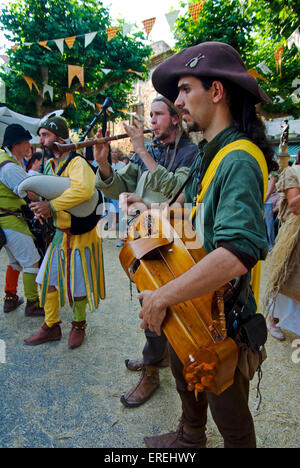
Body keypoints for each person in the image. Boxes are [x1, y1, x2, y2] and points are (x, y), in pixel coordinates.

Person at [136, 41, 275, 448]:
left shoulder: (239, 160)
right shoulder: (208, 154)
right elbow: (191, 217)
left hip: (223, 317)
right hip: (195, 300)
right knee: (185, 376)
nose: (177, 101)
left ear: (216, 92)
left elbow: (237, 253)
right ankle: (190, 437)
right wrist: (150, 214)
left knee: (229, 412)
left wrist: (162, 296)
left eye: (184, 89)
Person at [94, 96, 198, 408]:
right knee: (147, 301)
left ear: (176, 119)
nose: (151, 120)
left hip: (171, 243)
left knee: (157, 304)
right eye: (150, 115)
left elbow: (176, 193)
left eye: (157, 115)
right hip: (142, 237)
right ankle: (158, 356)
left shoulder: (191, 153)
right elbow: (118, 187)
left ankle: (152, 370)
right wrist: (102, 163)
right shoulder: (151, 151)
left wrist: (139, 149)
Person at [24, 115, 105, 349]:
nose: (41, 140)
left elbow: (83, 190)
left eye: (45, 135)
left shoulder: (78, 163)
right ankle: (52, 325)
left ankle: (79, 324)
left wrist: (51, 206)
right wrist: (40, 206)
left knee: (77, 285)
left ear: (59, 138)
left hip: (80, 235)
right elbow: (48, 191)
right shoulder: (50, 165)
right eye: (40, 135)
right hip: (59, 234)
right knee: (46, 281)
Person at [0, 124, 44, 316]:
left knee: (15, 261)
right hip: (10, 219)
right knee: (31, 261)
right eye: (26, 142)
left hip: (6, 220)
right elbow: (31, 194)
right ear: (16, 144)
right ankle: (32, 303)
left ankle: (10, 297)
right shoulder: (9, 166)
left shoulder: (6, 160)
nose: (29, 145)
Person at [263, 153, 300, 340]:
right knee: (285, 279)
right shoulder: (294, 172)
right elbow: (294, 206)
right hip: (294, 239)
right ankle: (272, 319)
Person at [264, 165, 279, 250]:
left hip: (267, 202)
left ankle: (271, 245)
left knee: (269, 225)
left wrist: (263, 200)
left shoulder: (273, 174)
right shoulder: (261, 170)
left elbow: (270, 191)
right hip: (261, 201)